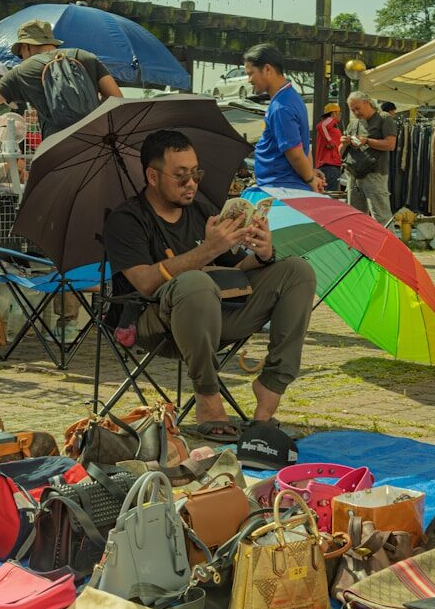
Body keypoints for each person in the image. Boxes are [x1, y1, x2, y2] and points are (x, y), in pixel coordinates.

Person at [103, 129, 316, 436]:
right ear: (152, 176)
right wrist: (207, 250)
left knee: (297, 270)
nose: (191, 184)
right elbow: (145, 282)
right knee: (194, 283)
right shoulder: (126, 219)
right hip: (152, 321)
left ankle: (269, 391)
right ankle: (208, 399)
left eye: (195, 174)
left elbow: (235, 269)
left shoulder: (202, 211)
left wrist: (264, 254)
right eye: (180, 176)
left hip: (216, 314)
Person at [0, 20, 122, 138]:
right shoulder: (86, 56)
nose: (21, 58)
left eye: (20, 54)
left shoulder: (22, 71)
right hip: (95, 139)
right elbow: (116, 97)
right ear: (50, 41)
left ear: (25, 46)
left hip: (55, 147)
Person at [244, 45, 325, 192]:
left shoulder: (281, 106)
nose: (249, 80)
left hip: (281, 188)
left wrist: (311, 180)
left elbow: (295, 153)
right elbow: (304, 147)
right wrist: (310, 173)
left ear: (268, 69)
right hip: (286, 186)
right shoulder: (292, 97)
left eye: (250, 73)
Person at [339, 91, 397, 224]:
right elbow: (340, 153)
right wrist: (343, 143)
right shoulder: (353, 124)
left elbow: (390, 144)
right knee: (355, 218)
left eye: (357, 108)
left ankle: (387, 245)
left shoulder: (384, 118)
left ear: (367, 103)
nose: (356, 112)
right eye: (352, 110)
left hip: (375, 174)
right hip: (353, 175)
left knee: (381, 217)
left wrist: (367, 141)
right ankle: (359, 244)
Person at [314, 103, 343, 193]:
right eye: (339, 112)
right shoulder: (330, 120)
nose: (341, 115)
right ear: (333, 113)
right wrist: (330, 141)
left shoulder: (331, 127)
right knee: (330, 194)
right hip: (330, 165)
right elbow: (321, 125)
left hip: (330, 165)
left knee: (328, 193)